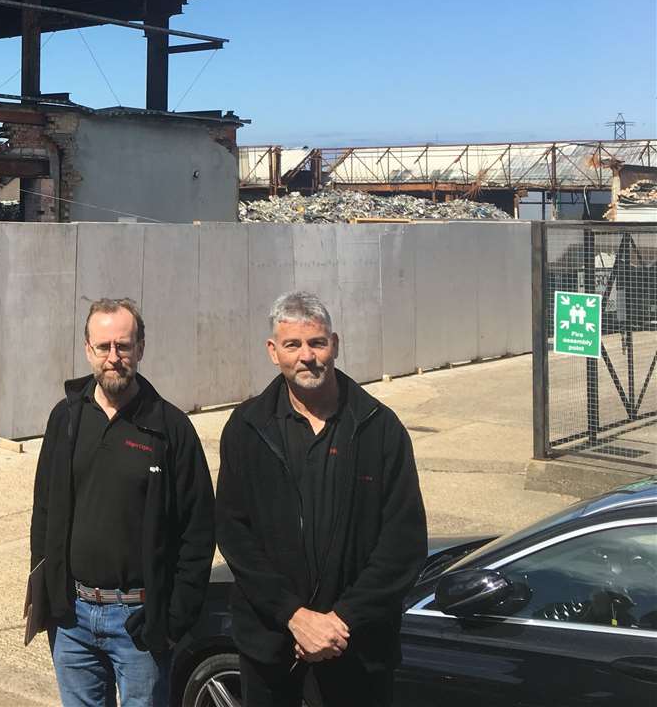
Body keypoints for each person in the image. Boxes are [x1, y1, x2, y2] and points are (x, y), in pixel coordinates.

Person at [216, 291, 427, 707]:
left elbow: (403, 543)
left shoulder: (378, 428)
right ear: (273, 352)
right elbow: (234, 534)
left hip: (356, 649)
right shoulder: (246, 428)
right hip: (271, 650)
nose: (307, 356)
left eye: (317, 342)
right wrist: (294, 616)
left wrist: (339, 621)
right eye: (293, 345)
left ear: (336, 344)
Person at [30, 298, 215, 707]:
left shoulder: (170, 429)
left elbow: (198, 530)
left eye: (124, 346)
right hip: (72, 619)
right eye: (104, 347)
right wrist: (47, 595)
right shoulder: (66, 419)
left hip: (139, 623)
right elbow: (43, 510)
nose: (114, 357)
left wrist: (172, 620)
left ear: (141, 348)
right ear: (87, 350)